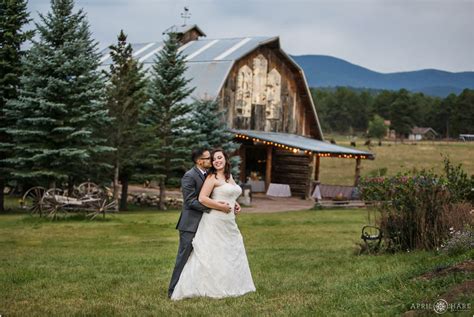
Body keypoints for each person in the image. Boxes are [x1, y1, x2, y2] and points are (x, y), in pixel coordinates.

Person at [171, 148, 255, 300]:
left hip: (224, 221)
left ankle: (226, 284)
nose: (213, 161)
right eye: (210, 158)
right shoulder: (194, 176)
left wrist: (234, 203)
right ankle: (174, 290)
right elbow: (194, 200)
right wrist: (218, 207)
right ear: (199, 161)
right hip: (194, 222)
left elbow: (223, 192)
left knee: (221, 252)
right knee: (185, 257)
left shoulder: (223, 176)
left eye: (216, 158)